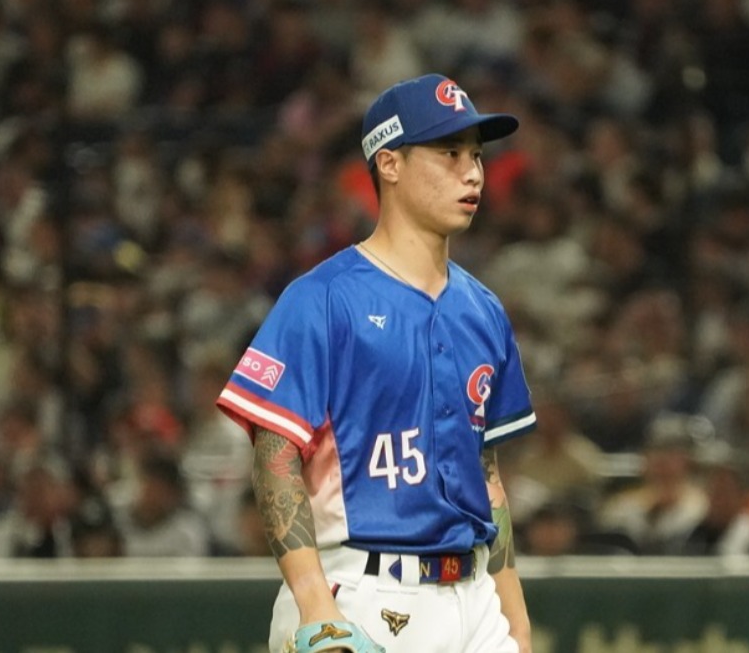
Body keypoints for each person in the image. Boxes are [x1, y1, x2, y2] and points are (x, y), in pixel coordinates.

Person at [216, 73, 535, 653]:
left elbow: (485, 471)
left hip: (474, 595)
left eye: (476, 155)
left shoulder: (484, 310)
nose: (472, 172)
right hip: (363, 588)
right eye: (449, 153)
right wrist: (316, 606)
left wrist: (515, 619)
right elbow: (275, 455)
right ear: (389, 163)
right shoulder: (323, 298)